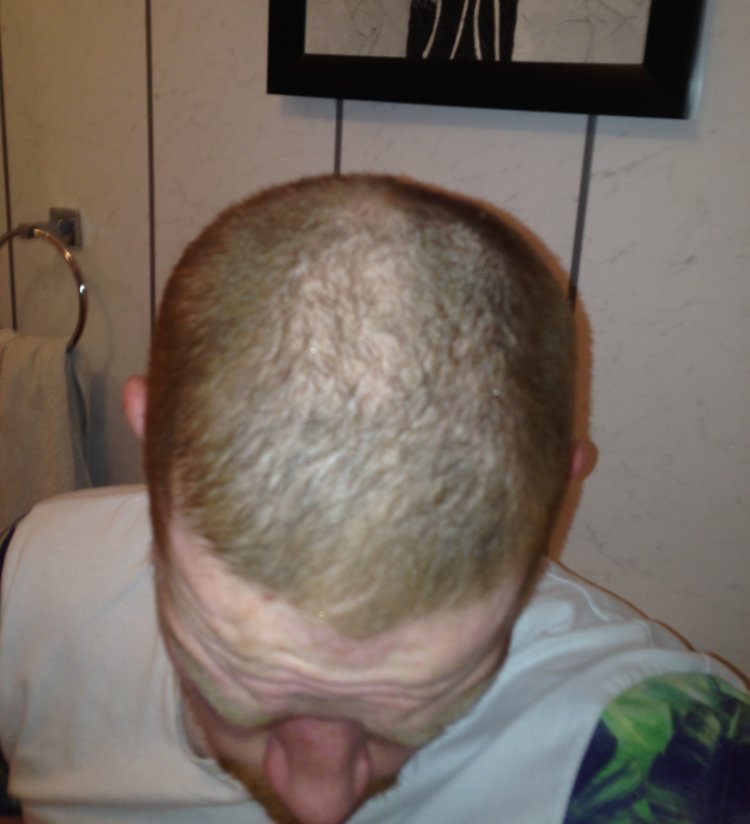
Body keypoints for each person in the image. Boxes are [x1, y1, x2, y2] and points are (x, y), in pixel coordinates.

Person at [0, 174, 747, 824]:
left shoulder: (670, 764)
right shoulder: (30, 583)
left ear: (556, 492)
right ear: (153, 445)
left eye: (418, 705)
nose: (321, 802)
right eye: (243, 689)